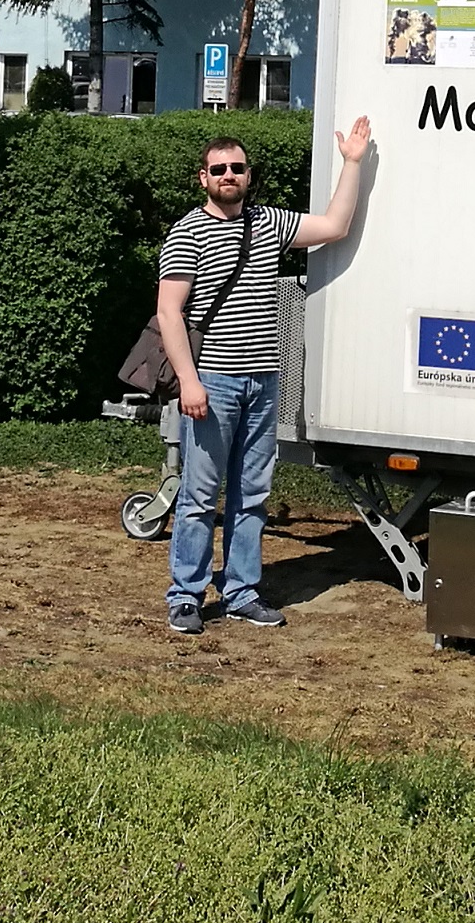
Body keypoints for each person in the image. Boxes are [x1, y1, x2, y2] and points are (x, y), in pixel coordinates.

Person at [157, 117, 373, 634]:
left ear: (248, 175)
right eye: (218, 169)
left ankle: (241, 592)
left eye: (236, 168)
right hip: (213, 382)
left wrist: (352, 163)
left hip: (263, 381)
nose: (228, 175)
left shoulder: (269, 223)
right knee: (199, 496)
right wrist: (189, 381)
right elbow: (169, 312)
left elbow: (334, 226)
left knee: (252, 494)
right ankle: (185, 596)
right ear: (203, 178)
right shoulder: (187, 231)